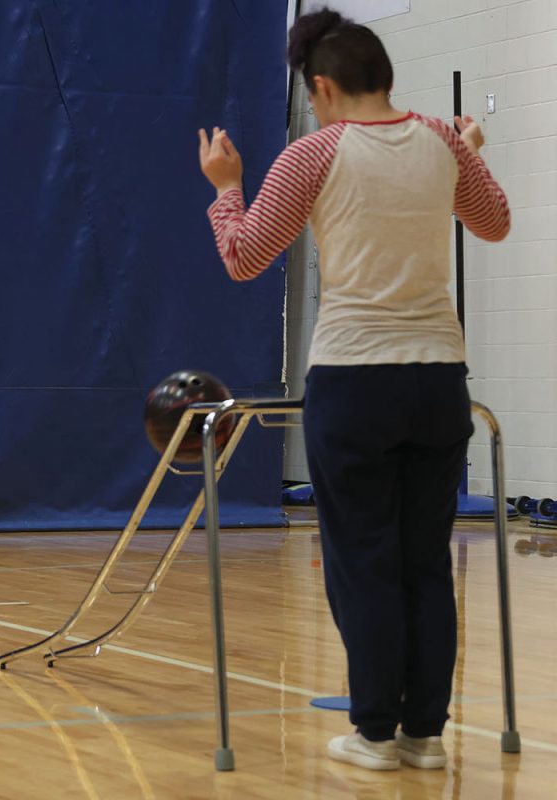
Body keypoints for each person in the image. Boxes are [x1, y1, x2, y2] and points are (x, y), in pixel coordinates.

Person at [197, 9, 510, 771]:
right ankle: (425, 735)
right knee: (424, 561)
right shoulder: (441, 138)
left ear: (325, 87)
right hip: (439, 377)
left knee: (363, 559)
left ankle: (374, 731)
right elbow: (493, 221)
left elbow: (242, 257)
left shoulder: (313, 154)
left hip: (355, 379)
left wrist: (226, 188)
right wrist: (467, 157)